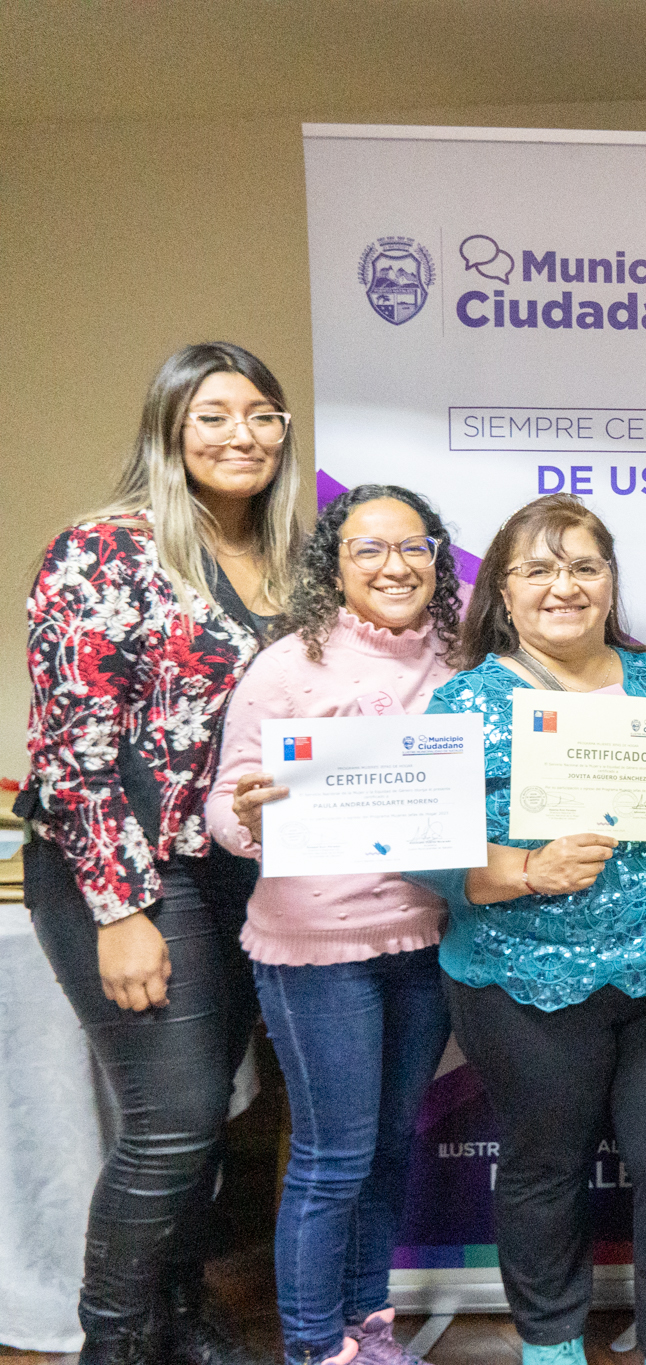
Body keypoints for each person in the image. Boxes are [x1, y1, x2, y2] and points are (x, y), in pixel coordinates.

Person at [21, 341, 306, 1365]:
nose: (244, 435)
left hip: (245, 871)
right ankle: (116, 1341)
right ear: (170, 430)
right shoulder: (104, 551)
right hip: (131, 868)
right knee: (176, 1115)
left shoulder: (292, 562)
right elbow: (73, 747)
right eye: (215, 414)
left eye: (263, 414)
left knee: (219, 1106)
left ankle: (182, 1314)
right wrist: (120, 908)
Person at [407, 494, 646, 1365]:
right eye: (539, 569)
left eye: (586, 566)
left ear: (611, 581)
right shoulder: (465, 702)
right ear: (504, 593)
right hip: (522, 981)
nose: (565, 585)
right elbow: (420, 847)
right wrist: (523, 869)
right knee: (544, 1165)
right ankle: (552, 1341)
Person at [204, 485, 464, 1365]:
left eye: (414, 546)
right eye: (369, 549)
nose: (395, 565)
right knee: (331, 1157)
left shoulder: (464, 661)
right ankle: (315, 1347)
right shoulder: (287, 663)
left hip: (426, 941)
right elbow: (225, 814)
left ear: (439, 558)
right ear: (336, 565)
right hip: (318, 950)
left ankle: (369, 1325)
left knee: (390, 1148)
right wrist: (251, 815)